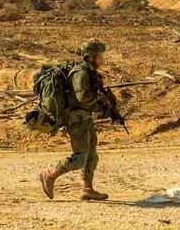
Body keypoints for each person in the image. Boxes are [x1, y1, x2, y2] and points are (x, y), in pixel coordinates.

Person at [39, 38, 122, 201]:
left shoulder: (91, 73)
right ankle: (49, 174)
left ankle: (87, 188)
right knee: (80, 158)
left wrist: (108, 108)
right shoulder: (81, 73)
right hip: (76, 118)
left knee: (92, 155)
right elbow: (83, 97)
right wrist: (101, 103)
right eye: (99, 56)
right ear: (89, 57)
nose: (102, 59)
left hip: (85, 118)